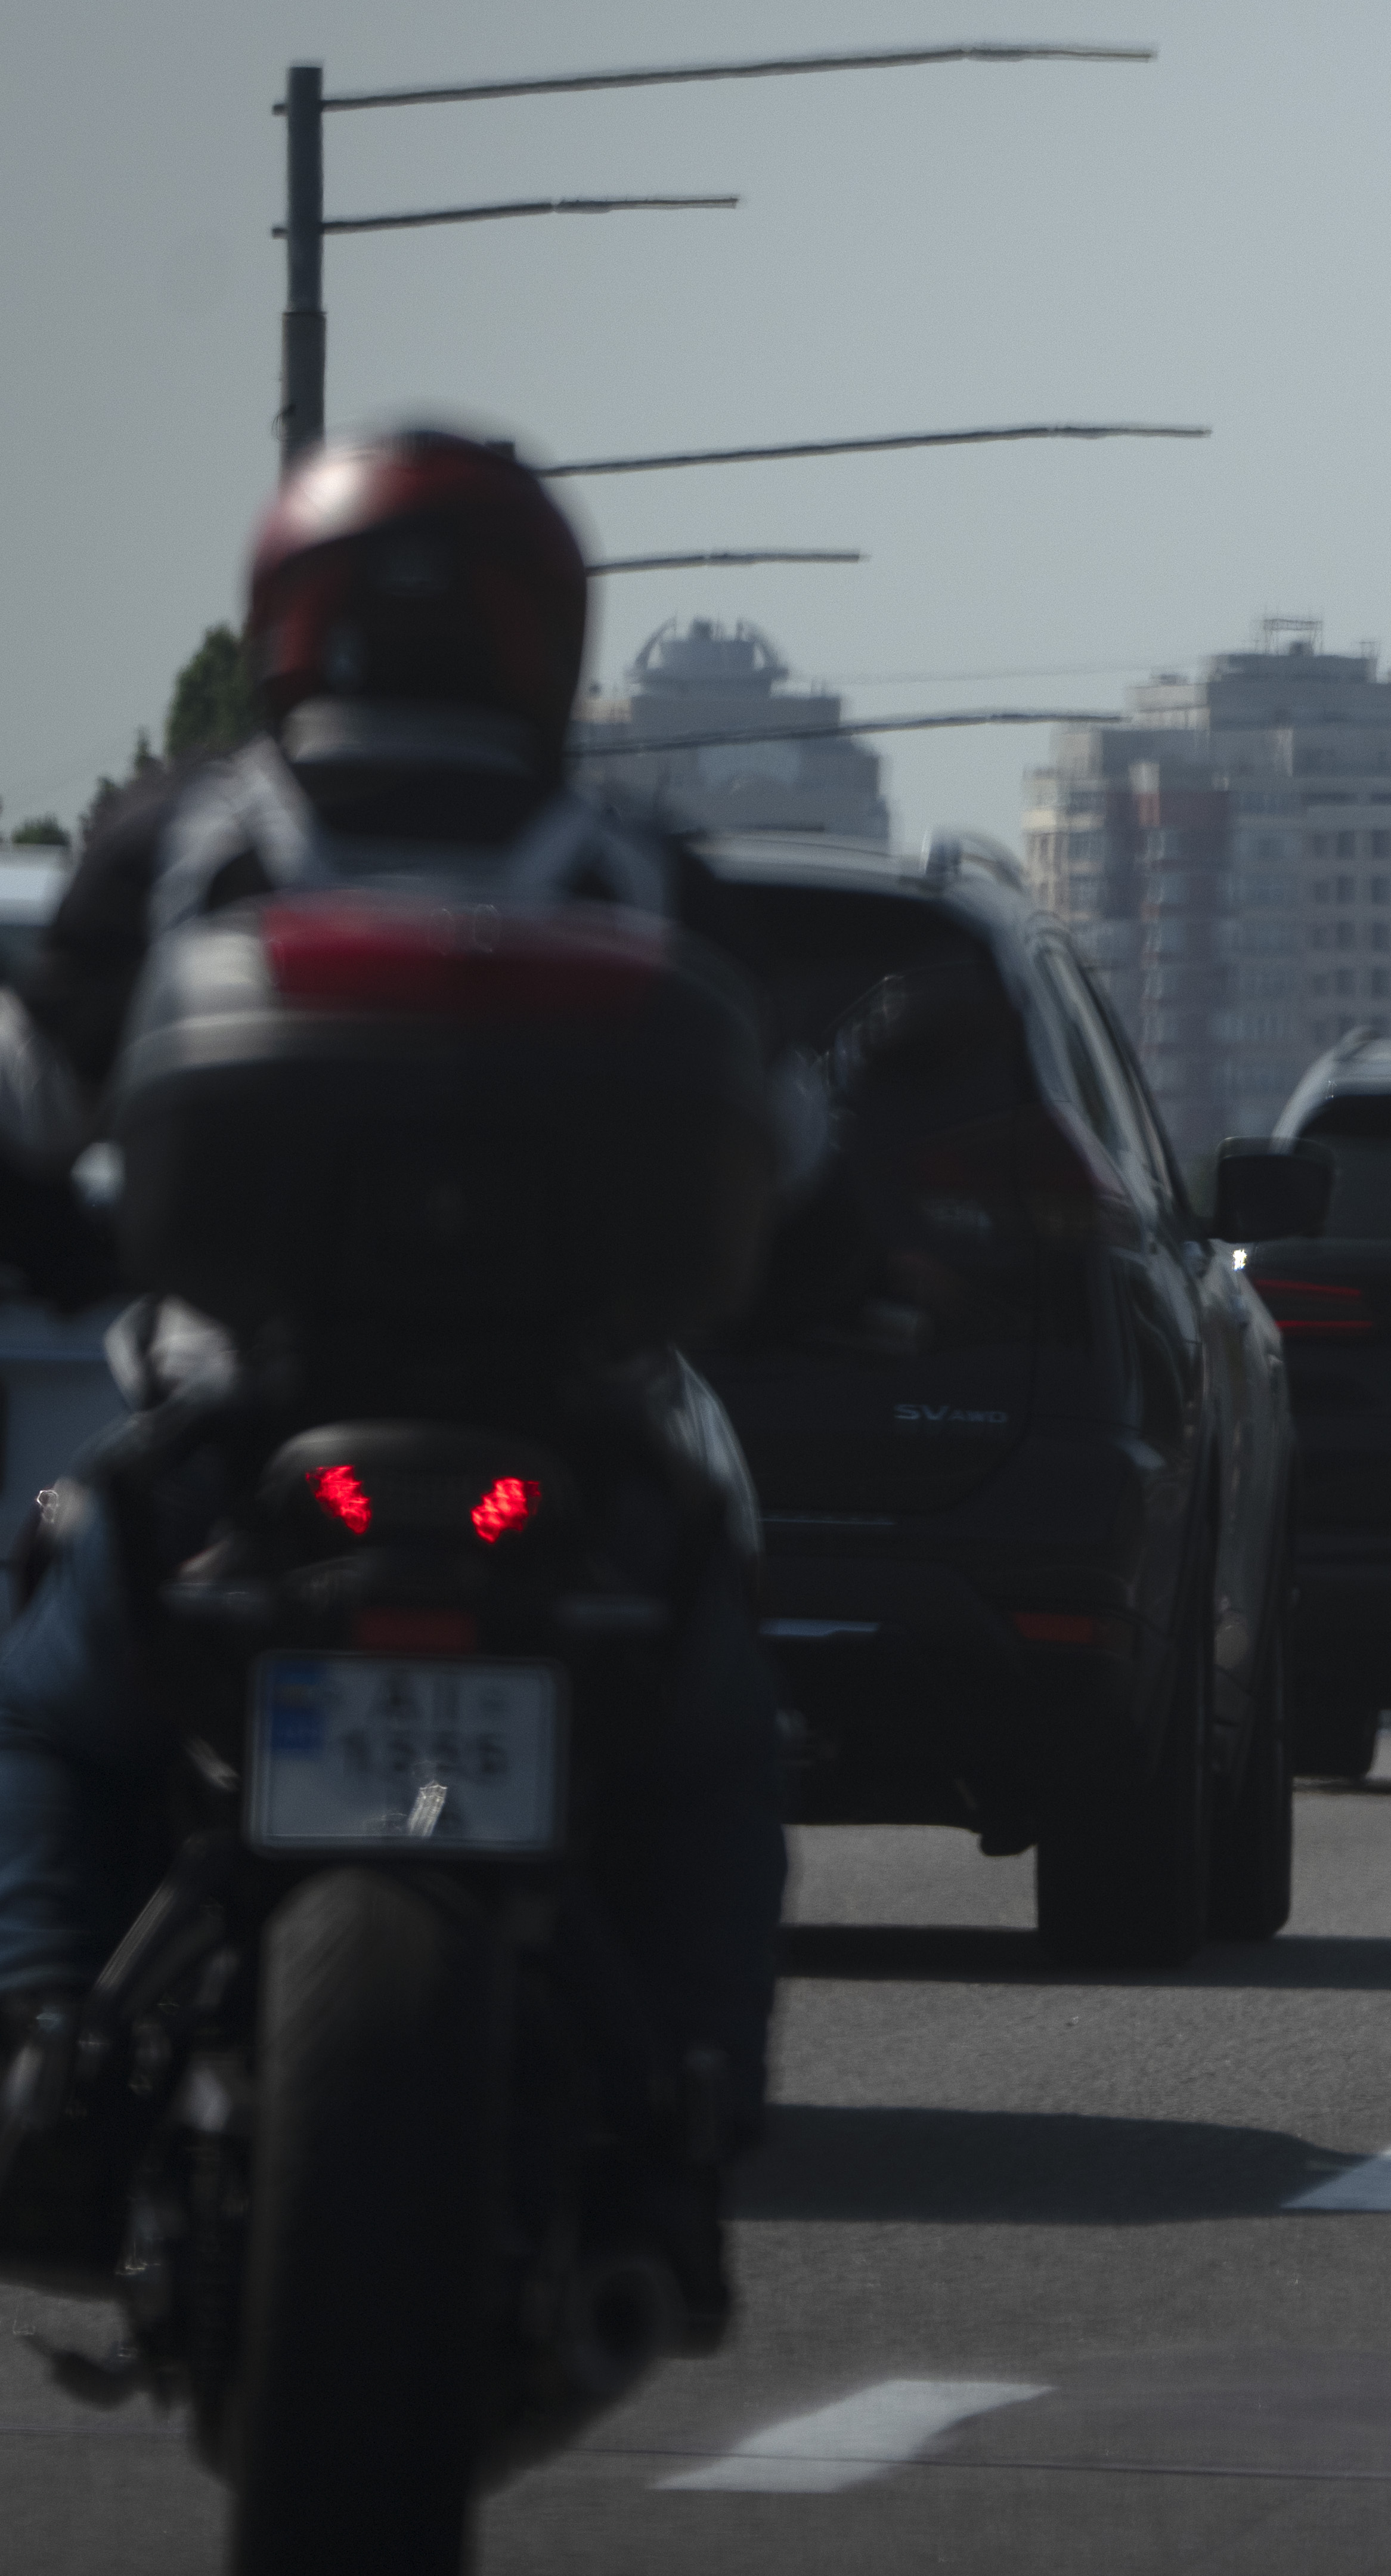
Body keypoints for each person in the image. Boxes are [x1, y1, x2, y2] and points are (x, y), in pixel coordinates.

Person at [0, 431, 793, 2292]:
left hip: (240, 1424)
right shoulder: (629, 862)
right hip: (564, 1440)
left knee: (56, 1686)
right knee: (715, 1725)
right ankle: (692, 2097)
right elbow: (784, 1149)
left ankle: (41, 2038)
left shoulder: (189, 838)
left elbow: (37, 1098)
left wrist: (58, 1221)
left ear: (289, 618)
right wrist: (860, 1267)